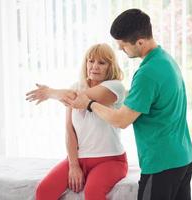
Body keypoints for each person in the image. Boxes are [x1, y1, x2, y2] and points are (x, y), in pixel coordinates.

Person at [66, 9, 192, 200]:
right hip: (184, 157)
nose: (120, 50)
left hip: (162, 164)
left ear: (140, 42)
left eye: (123, 46)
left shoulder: (147, 73)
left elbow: (121, 120)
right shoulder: (166, 59)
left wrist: (90, 103)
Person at [26, 43, 128, 200]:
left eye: (102, 63)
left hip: (111, 160)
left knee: (93, 193)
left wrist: (50, 92)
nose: (95, 66)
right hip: (79, 159)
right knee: (43, 191)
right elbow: (69, 129)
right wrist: (73, 165)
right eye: (91, 61)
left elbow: (77, 98)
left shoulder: (115, 87)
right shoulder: (75, 87)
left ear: (110, 67)